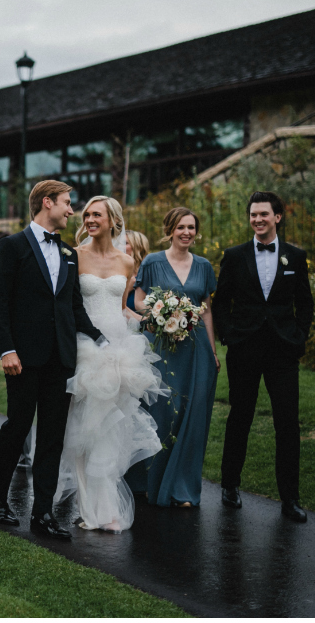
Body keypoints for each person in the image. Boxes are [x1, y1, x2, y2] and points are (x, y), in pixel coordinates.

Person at [0, 179, 104, 541]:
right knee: (17, 426)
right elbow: (0, 302)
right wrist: (6, 349)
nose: (72, 210)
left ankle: (43, 512)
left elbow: (73, 308)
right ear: (47, 203)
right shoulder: (12, 246)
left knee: (53, 437)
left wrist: (101, 339)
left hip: (61, 358)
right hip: (23, 356)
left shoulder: (69, 253)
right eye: (67, 203)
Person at [56, 196, 165, 532]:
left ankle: (106, 507)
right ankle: (90, 508)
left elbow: (122, 307)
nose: (88, 219)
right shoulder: (74, 257)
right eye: (86, 214)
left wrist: (160, 315)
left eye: (96, 215)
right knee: (83, 427)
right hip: (85, 347)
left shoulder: (126, 261)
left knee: (110, 427)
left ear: (113, 221)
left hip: (119, 347)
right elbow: (70, 304)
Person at [213, 191, 314, 524]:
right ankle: (229, 486)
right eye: (253, 215)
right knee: (240, 415)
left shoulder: (295, 258)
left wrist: (298, 338)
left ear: (278, 217)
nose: (257, 220)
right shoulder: (235, 255)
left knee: (287, 422)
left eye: (264, 215)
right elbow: (220, 302)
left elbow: (306, 304)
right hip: (245, 349)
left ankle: (290, 498)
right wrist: (229, 335)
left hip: (283, 351)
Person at [128, 207, 219, 508]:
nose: (186, 232)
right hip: (161, 347)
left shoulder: (204, 266)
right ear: (169, 230)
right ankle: (145, 481)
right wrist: (160, 312)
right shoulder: (153, 262)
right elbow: (139, 299)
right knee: (162, 412)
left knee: (192, 417)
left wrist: (213, 353)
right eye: (180, 227)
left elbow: (205, 310)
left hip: (196, 351)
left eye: (191, 227)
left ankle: (182, 490)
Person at [124, 230, 150, 313]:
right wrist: (127, 289)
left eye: (125, 243)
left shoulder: (150, 273)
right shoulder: (116, 272)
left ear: (138, 247)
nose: (119, 246)